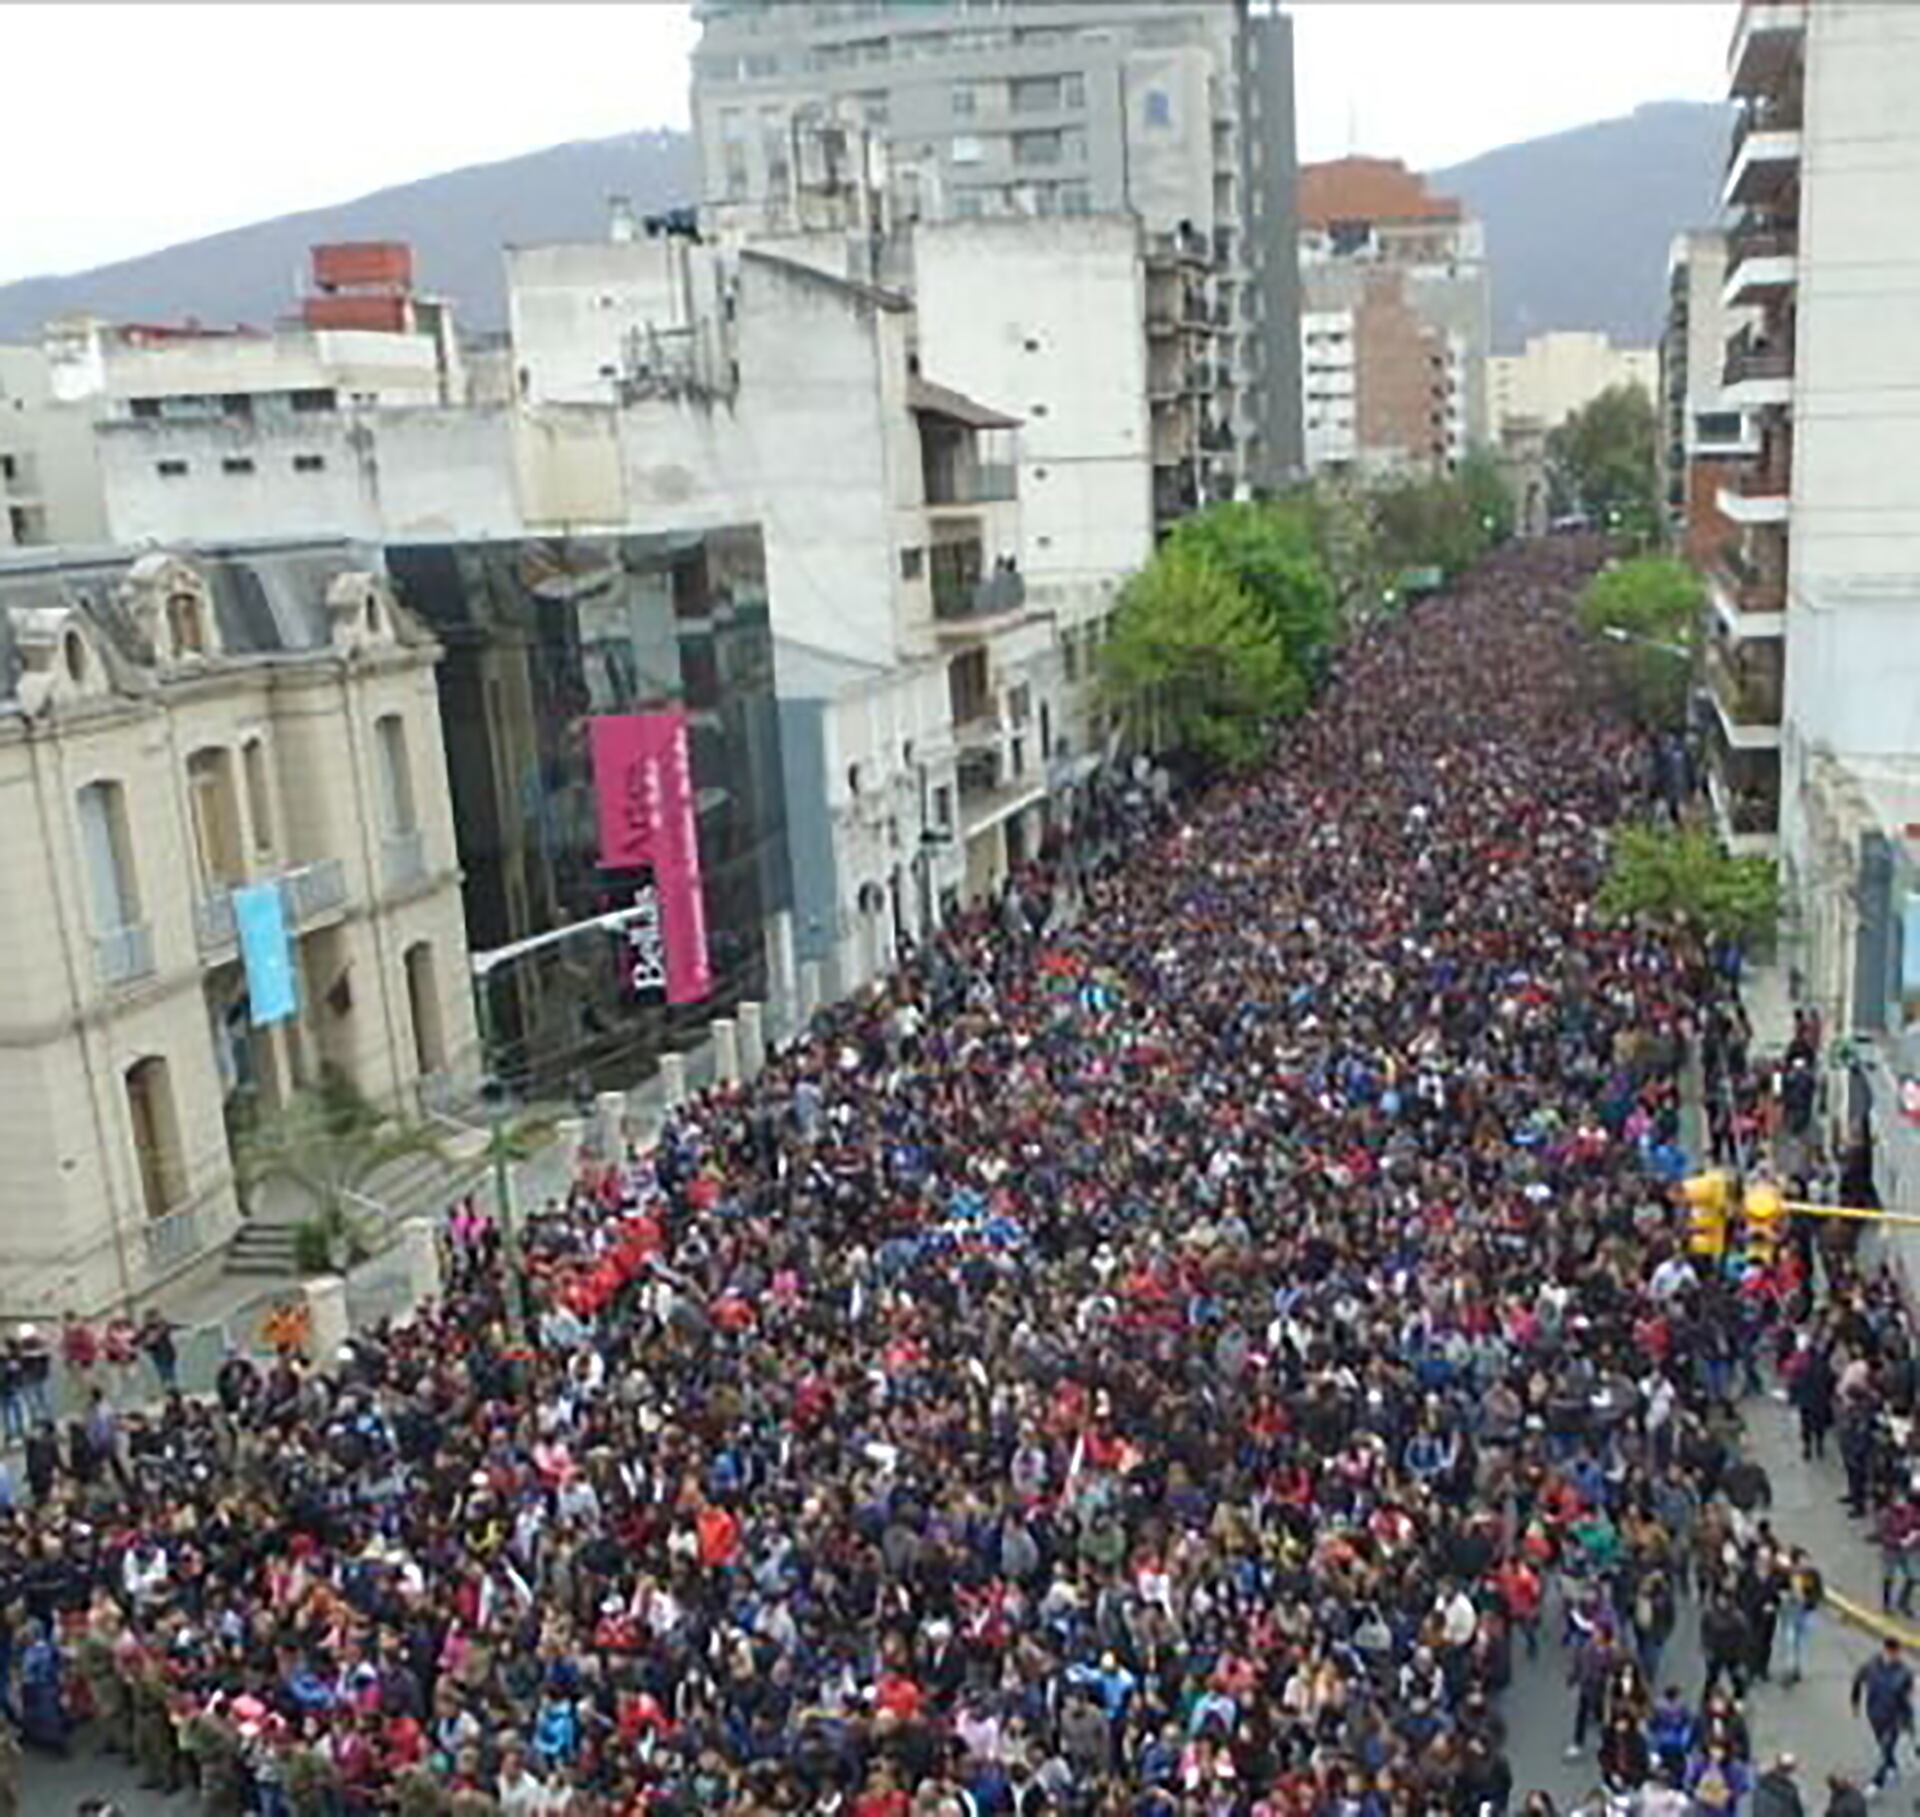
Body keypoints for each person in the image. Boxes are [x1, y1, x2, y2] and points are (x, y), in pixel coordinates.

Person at [1851, 1638, 1914, 1792]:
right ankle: (1892, 1766)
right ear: (1884, 1650)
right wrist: (1855, 1702)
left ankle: (1876, 1783)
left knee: (1886, 1747)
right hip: (1874, 1714)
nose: (1893, 1656)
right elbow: (1857, 1681)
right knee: (1883, 1745)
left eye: (1896, 1653)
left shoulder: (1905, 1672)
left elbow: (1907, 1699)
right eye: (1890, 1652)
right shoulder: (1871, 1666)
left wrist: (1909, 1723)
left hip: (1894, 1718)